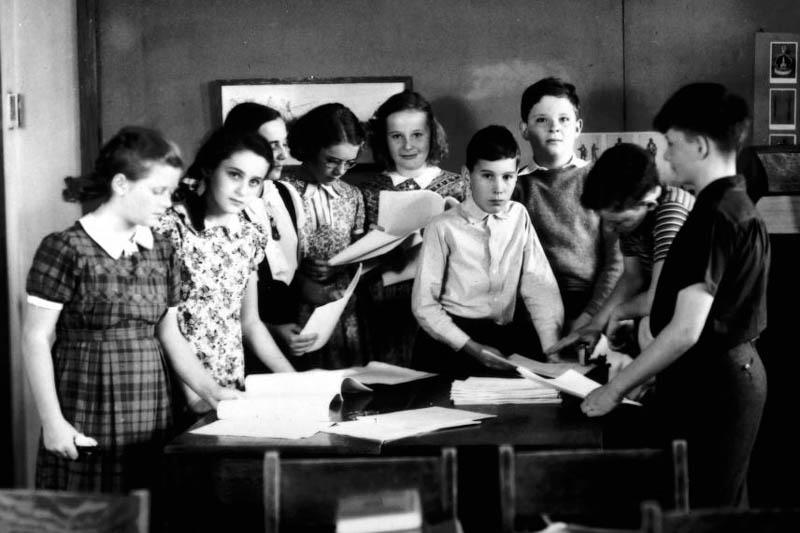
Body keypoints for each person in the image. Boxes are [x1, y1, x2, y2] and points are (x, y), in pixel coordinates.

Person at [582, 83, 769, 508]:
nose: (664, 156)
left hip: (720, 382)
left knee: (710, 511)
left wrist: (615, 389)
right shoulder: (727, 204)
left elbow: (686, 329)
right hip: (715, 377)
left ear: (700, 145)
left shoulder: (716, 215)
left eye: (671, 144)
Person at [22, 126, 235, 492]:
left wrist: (211, 391)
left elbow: (169, 333)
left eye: (171, 191)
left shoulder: (163, 249)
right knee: (90, 509)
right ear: (121, 184)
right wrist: (53, 422)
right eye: (158, 191)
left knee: (146, 505)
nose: (167, 202)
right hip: (86, 399)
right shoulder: (66, 248)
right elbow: (35, 337)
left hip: (151, 401)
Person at [156, 127, 294, 411]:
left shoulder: (251, 235)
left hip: (228, 386)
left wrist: (295, 380)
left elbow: (250, 323)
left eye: (255, 181)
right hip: (178, 382)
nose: (244, 190)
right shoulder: (171, 227)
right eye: (234, 174)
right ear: (209, 168)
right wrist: (199, 395)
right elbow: (164, 328)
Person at [411, 125, 563, 378]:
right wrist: (470, 348)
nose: (499, 188)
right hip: (453, 341)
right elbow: (424, 305)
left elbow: (540, 287)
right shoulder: (442, 226)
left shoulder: (519, 216)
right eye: (487, 176)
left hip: (504, 338)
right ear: (467, 176)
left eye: (508, 177)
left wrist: (552, 352)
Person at [546, 143, 694, 357]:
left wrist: (619, 312)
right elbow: (633, 277)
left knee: (648, 329)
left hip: (697, 317)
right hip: (665, 308)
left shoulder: (671, 214)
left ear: (648, 203)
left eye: (618, 223)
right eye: (607, 222)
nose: (610, 229)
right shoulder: (634, 218)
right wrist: (594, 325)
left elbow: (659, 299)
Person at [359, 90, 467, 366]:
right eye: (397, 136)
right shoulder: (365, 191)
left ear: (432, 135)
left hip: (445, 310)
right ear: (384, 139)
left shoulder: (458, 187)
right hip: (382, 314)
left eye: (417, 135)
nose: (408, 145)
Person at [515, 77, 622, 336]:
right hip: (530, 312)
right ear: (525, 129)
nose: (554, 128)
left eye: (564, 119)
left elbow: (616, 262)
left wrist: (589, 317)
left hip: (593, 305)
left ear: (578, 127)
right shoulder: (513, 187)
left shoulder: (601, 179)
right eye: (541, 120)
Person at [223, 102, 316, 358]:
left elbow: (289, 272)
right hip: (241, 346)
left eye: (284, 144)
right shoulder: (226, 206)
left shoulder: (288, 195)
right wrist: (273, 330)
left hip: (293, 338)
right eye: (272, 145)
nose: (283, 155)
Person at [282, 103, 367, 369]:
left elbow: (360, 255)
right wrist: (302, 281)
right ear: (308, 148)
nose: (340, 171)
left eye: (349, 162)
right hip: (292, 312)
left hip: (341, 313)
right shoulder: (279, 190)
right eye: (332, 160)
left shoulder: (352, 196)